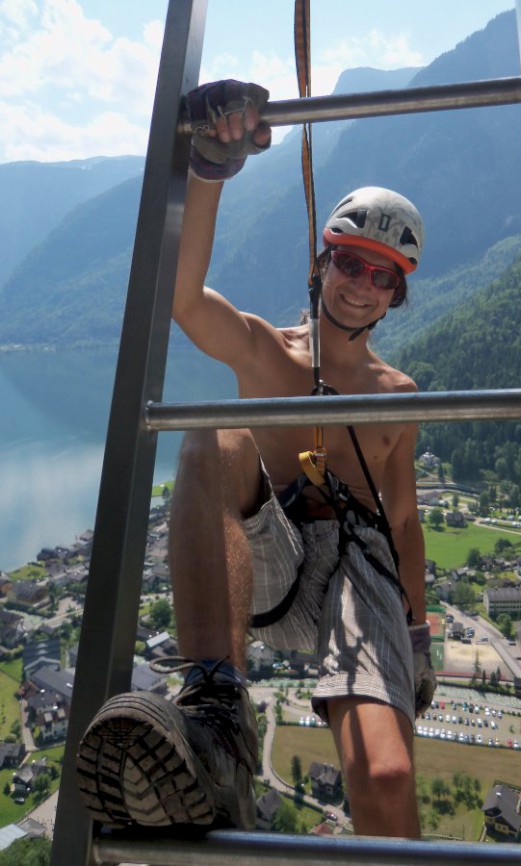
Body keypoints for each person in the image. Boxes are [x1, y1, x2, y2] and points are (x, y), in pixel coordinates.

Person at [75, 80, 435, 839]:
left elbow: (402, 522)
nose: (362, 286)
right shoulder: (268, 352)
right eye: (350, 263)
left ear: (396, 296)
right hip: (274, 557)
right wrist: (210, 168)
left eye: (383, 277)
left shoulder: (398, 396)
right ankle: (218, 721)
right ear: (322, 259)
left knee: (388, 774)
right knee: (213, 430)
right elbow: (183, 299)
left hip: (361, 572)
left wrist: (421, 632)